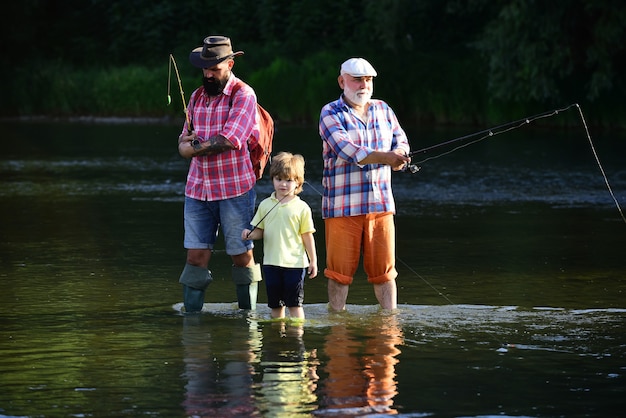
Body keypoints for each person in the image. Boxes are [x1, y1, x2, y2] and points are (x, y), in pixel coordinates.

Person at [176, 35, 262, 313]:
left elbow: (230, 140)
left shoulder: (244, 94)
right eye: (205, 69)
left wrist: (193, 149)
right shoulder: (196, 97)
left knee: (240, 254)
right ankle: (191, 318)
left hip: (235, 190)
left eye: (215, 68)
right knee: (196, 256)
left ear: (230, 63)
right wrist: (184, 147)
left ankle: (247, 316)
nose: (209, 74)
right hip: (197, 189)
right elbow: (182, 141)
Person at [318, 57, 411, 312]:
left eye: (368, 80)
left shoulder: (383, 108)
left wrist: (400, 156)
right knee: (338, 274)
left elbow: (400, 139)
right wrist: (386, 158)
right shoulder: (330, 112)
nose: (363, 85)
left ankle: (389, 321)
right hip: (342, 207)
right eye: (357, 79)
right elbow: (347, 150)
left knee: (386, 273)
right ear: (342, 81)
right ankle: (337, 325)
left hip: (380, 204)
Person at [242, 152, 318, 319]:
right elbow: (260, 231)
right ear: (272, 180)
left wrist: (313, 260)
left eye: (289, 180)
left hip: (295, 265)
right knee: (275, 306)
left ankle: (297, 339)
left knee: (294, 304)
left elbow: (307, 236)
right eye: (278, 179)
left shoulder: (302, 207)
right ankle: (277, 338)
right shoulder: (265, 204)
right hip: (271, 264)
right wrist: (250, 235)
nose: (283, 184)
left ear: (298, 182)